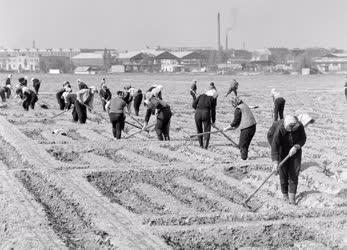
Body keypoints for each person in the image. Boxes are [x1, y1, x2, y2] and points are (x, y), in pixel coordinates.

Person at [271, 115, 307, 205]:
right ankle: (285, 195)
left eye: (293, 128)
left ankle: (292, 198)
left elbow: (303, 138)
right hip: (282, 150)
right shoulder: (280, 129)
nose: (291, 130)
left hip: (295, 151)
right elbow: (274, 146)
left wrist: (297, 146)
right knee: (283, 172)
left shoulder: (300, 126)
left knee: (294, 172)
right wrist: (275, 162)